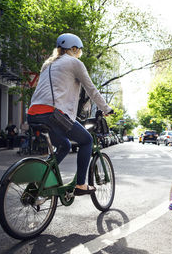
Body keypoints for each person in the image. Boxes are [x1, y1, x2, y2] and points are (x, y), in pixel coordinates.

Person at [27, 33, 113, 196]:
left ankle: (40, 182)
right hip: (54, 114)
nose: (79, 53)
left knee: (65, 145)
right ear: (73, 49)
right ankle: (80, 184)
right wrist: (106, 108)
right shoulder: (74, 63)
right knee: (86, 140)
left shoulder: (48, 64)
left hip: (32, 113)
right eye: (79, 50)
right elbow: (91, 89)